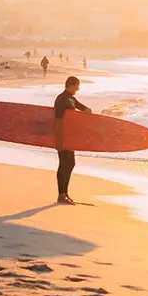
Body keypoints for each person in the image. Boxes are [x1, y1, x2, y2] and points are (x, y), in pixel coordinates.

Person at [53, 75, 90, 204]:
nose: (78, 88)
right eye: (77, 86)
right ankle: (61, 195)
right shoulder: (62, 99)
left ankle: (65, 193)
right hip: (63, 137)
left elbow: (79, 105)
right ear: (71, 85)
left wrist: (86, 110)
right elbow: (57, 120)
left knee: (70, 163)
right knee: (64, 164)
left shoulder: (70, 98)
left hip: (70, 137)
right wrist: (58, 140)